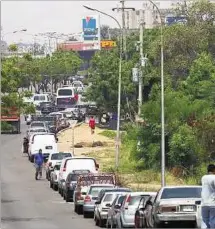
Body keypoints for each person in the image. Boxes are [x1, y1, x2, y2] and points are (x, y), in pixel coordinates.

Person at [201, 164, 215, 228]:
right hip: (213, 204)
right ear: (214, 170)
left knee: (205, 221)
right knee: (212, 220)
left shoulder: (203, 178)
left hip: (204, 204)